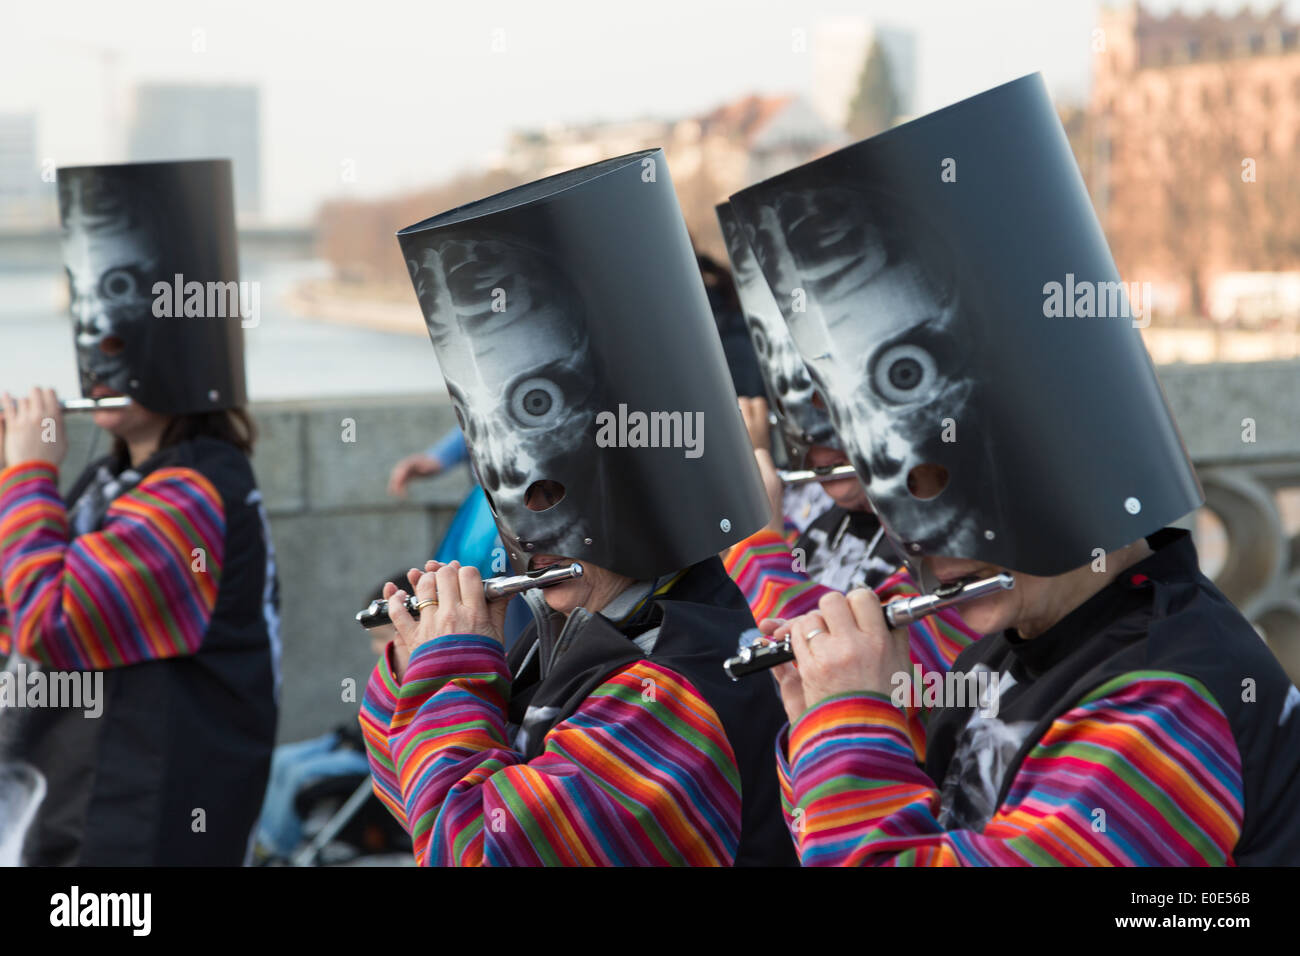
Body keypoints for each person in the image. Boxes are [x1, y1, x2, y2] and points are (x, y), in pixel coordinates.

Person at [729, 73, 1300, 865]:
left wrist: (850, 723)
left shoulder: (1164, 711)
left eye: (941, 479)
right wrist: (828, 719)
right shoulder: (1006, 642)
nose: (911, 531)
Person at [359, 148, 796, 866]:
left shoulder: (682, 684)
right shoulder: (567, 626)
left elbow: (471, 848)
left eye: (553, 493)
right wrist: (414, 670)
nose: (530, 533)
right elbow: (418, 800)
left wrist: (452, 671)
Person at [0, 159, 279, 865]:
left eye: (122, 342)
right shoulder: (114, 477)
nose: (100, 361)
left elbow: (51, 623)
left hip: (136, 833)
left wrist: (30, 473)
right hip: (79, 813)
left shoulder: (192, 494)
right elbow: (15, 604)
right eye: (91, 333)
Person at [715, 201, 978, 677]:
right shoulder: (827, 521)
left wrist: (759, 540)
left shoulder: (960, 550)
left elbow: (857, 674)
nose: (815, 432)